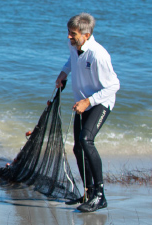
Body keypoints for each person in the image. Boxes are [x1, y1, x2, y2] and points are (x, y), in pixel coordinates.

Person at [54, 13, 120, 213]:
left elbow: (114, 86)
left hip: (100, 102)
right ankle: (88, 192)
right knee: (77, 149)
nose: (68, 37)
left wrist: (88, 101)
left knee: (86, 140)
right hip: (82, 101)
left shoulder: (99, 55)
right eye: (68, 32)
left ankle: (100, 196)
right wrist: (64, 72)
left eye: (72, 34)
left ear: (86, 34)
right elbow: (71, 59)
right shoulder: (75, 45)